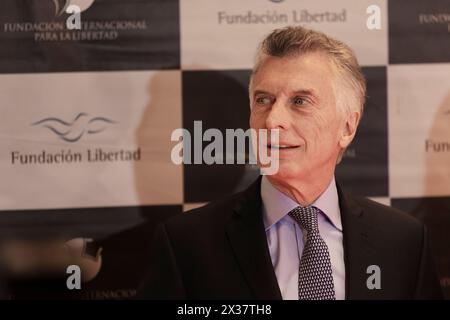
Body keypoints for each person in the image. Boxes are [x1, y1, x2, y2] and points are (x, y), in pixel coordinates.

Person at [138, 26, 443, 300]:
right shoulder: (186, 245)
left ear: (347, 128)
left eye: (299, 101)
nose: (273, 120)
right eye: (263, 100)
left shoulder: (404, 242)